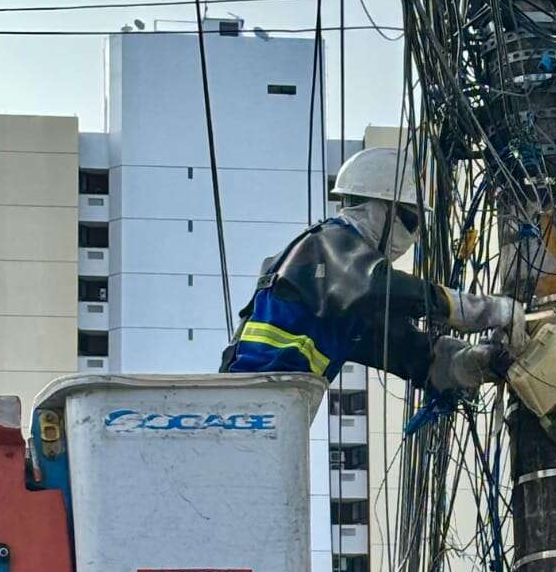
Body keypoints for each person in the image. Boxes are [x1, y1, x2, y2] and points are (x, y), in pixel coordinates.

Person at [221, 144, 525, 391]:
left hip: (269, 406)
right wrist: (483, 310)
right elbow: (380, 287)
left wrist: (471, 362)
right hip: (248, 401)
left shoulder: (340, 299)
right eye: (409, 221)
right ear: (380, 208)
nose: (412, 238)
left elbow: (403, 349)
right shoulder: (326, 245)